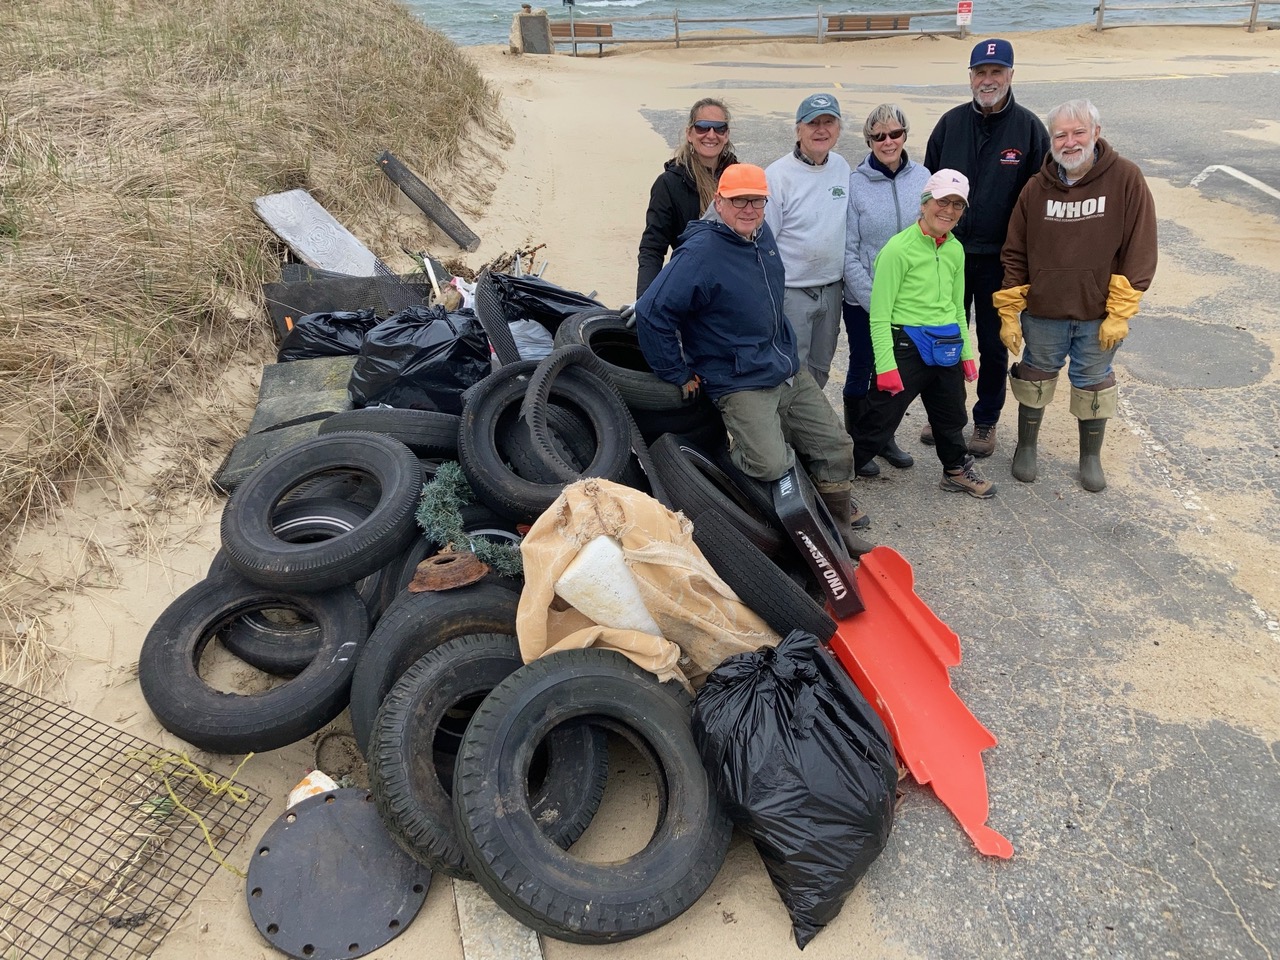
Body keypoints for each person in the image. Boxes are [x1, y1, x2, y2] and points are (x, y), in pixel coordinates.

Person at [634, 163, 874, 556]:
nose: (749, 208)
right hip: (739, 378)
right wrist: (674, 372)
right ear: (719, 202)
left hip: (783, 369)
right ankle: (729, 453)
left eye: (757, 199)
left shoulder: (761, 238)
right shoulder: (701, 252)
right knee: (768, 464)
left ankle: (840, 530)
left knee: (836, 446)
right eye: (739, 200)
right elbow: (652, 312)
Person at [997, 99, 1157, 492]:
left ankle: (1090, 457)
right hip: (1044, 312)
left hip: (1098, 315)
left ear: (1096, 133)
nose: (1070, 143)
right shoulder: (1036, 189)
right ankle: (1027, 447)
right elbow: (1015, 251)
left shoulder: (1125, 179)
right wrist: (1009, 310)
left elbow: (1139, 247)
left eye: (1078, 132)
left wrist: (1120, 312)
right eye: (1061, 135)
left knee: (1093, 383)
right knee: (1034, 377)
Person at [923, 38, 1049, 457]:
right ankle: (946, 414)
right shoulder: (950, 124)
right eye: (981, 72)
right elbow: (930, 189)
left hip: (1001, 260)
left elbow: (1042, 199)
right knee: (944, 336)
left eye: (997, 72)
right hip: (950, 253)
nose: (988, 80)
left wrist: (1028, 262)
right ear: (971, 77)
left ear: (1011, 75)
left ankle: (986, 421)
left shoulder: (1029, 129)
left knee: (994, 343)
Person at [851, 169, 996, 500]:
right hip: (906, 345)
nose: (948, 211)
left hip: (945, 345)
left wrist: (967, 355)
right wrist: (886, 365)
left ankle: (956, 470)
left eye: (957, 205)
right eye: (942, 201)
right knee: (878, 423)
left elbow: (958, 308)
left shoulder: (956, 249)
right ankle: (835, 481)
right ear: (925, 203)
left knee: (952, 416)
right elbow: (880, 313)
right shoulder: (897, 249)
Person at [842, 103, 931, 478]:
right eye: (879, 136)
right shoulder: (855, 183)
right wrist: (875, 298)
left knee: (894, 369)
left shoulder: (923, 177)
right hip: (864, 297)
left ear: (905, 135)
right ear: (868, 141)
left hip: (908, 301)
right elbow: (847, 249)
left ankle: (884, 436)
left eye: (894, 133)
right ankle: (856, 441)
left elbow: (931, 236)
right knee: (863, 365)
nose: (887, 141)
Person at [763, 93, 851, 388]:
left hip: (831, 289)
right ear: (798, 129)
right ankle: (784, 434)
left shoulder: (841, 168)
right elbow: (764, 242)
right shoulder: (777, 175)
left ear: (838, 129)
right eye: (813, 123)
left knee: (820, 368)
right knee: (790, 371)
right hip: (792, 293)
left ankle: (806, 432)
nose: (821, 129)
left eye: (829, 122)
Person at [636, 98, 738, 298]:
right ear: (689, 133)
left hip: (733, 285)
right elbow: (652, 248)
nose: (711, 135)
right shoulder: (669, 184)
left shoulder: (738, 178)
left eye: (719, 128)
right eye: (702, 127)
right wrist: (644, 300)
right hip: (691, 287)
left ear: (726, 135)